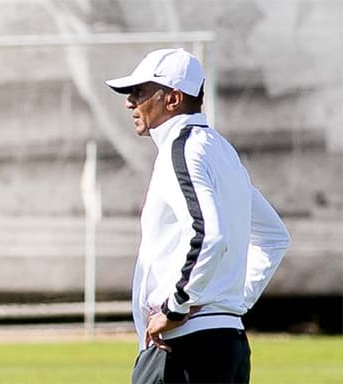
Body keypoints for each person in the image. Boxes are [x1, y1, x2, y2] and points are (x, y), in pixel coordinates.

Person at [106, 48, 290, 383]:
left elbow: (206, 233)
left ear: (173, 99)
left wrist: (177, 306)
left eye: (139, 92)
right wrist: (229, 304)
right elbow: (275, 236)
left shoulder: (182, 148)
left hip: (184, 346)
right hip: (227, 343)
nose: (129, 102)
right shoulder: (220, 150)